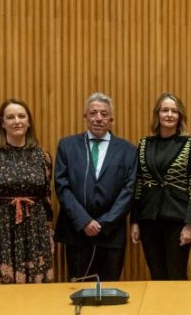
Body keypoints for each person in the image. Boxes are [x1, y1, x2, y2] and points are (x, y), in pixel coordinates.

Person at [0, 98, 55, 284]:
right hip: (0, 232)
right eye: (10, 117)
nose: (17, 121)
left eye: (22, 116)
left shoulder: (42, 155)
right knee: (1, 289)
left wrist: (49, 234)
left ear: (29, 122)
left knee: (37, 294)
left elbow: (46, 199)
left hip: (35, 232)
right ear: (2, 123)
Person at [54, 93, 137, 281]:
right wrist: (84, 221)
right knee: (80, 293)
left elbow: (129, 190)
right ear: (85, 117)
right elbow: (62, 186)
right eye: (93, 113)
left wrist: (104, 223)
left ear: (111, 119)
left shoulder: (128, 150)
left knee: (109, 294)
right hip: (77, 233)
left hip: (111, 234)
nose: (98, 118)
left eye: (103, 114)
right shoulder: (67, 146)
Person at [130, 93, 191, 280]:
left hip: (178, 220)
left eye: (174, 111)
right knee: (156, 275)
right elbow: (138, 185)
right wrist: (135, 221)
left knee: (176, 274)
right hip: (149, 219)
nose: (169, 114)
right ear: (158, 114)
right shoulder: (145, 144)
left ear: (180, 116)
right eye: (165, 110)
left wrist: (190, 224)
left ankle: (178, 310)